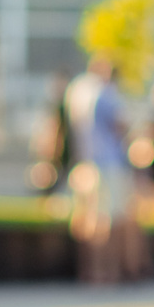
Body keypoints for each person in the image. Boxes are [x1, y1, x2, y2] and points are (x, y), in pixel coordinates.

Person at [63, 58, 141, 283]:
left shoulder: (77, 91)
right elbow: (122, 127)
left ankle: (88, 271)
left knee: (87, 218)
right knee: (109, 220)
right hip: (108, 164)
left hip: (84, 162)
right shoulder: (105, 94)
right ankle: (107, 273)